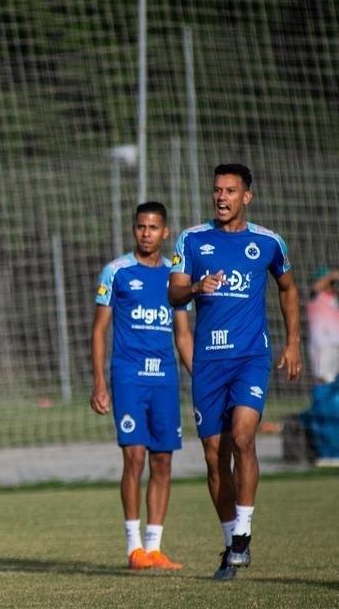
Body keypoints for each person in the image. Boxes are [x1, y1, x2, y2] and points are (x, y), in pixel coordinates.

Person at [168, 164, 301, 580]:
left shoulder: (268, 242)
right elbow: (173, 292)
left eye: (230, 191)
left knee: (243, 436)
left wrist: (293, 342)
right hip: (208, 362)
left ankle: (243, 535)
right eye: (216, 190)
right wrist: (195, 288)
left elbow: (288, 288)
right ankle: (230, 544)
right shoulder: (192, 239)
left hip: (250, 358)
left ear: (247, 196)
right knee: (214, 457)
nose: (221, 197)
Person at [91, 202, 193, 570]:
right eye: (140, 227)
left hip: (165, 379)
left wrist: (201, 379)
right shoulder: (116, 271)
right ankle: (133, 548)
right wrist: (100, 382)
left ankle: (155, 547)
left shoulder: (176, 277)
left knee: (163, 461)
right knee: (134, 456)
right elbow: (99, 330)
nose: (146, 233)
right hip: (129, 377)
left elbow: (183, 336)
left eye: (153, 228)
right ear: (134, 230)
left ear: (165, 232)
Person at [306, 267, 339, 384]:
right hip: (322, 344)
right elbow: (315, 288)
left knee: (334, 381)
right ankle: (322, 401)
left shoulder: (334, 297)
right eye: (330, 283)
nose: (331, 285)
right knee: (324, 378)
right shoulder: (314, 296)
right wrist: (331, 276)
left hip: (335, 344)